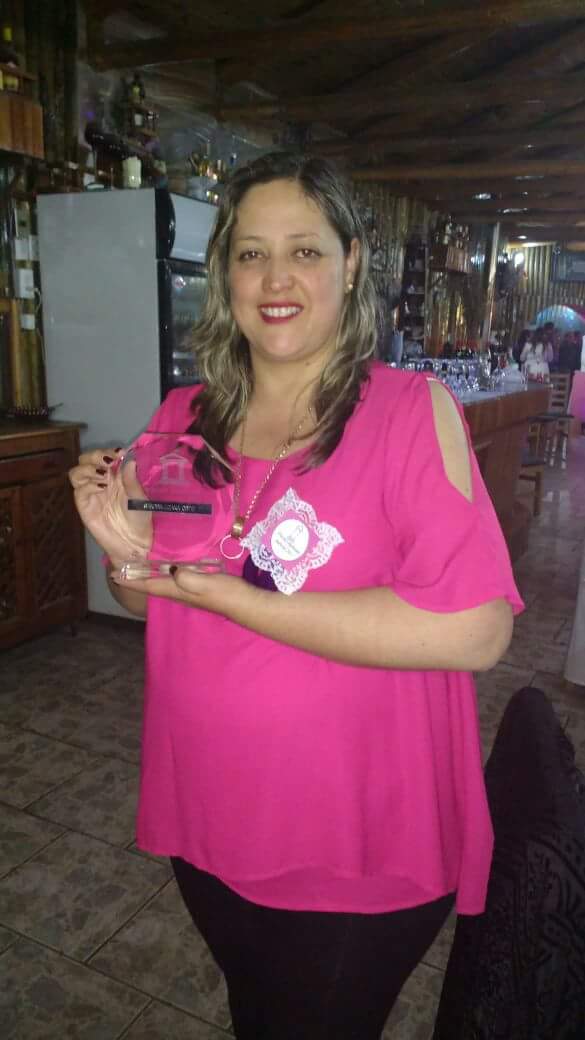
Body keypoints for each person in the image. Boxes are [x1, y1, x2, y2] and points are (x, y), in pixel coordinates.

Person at [69, 151, 522, 1040]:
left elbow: (473, 629)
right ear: (224, 274)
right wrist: (126, 559)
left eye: (304, 251)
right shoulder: (181, 420)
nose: (275, 279)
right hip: (210, 814)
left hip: (354, 842)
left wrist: (231, 598)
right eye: (250, 254)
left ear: (350, 263)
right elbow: (155, 605)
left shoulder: (407, 410)